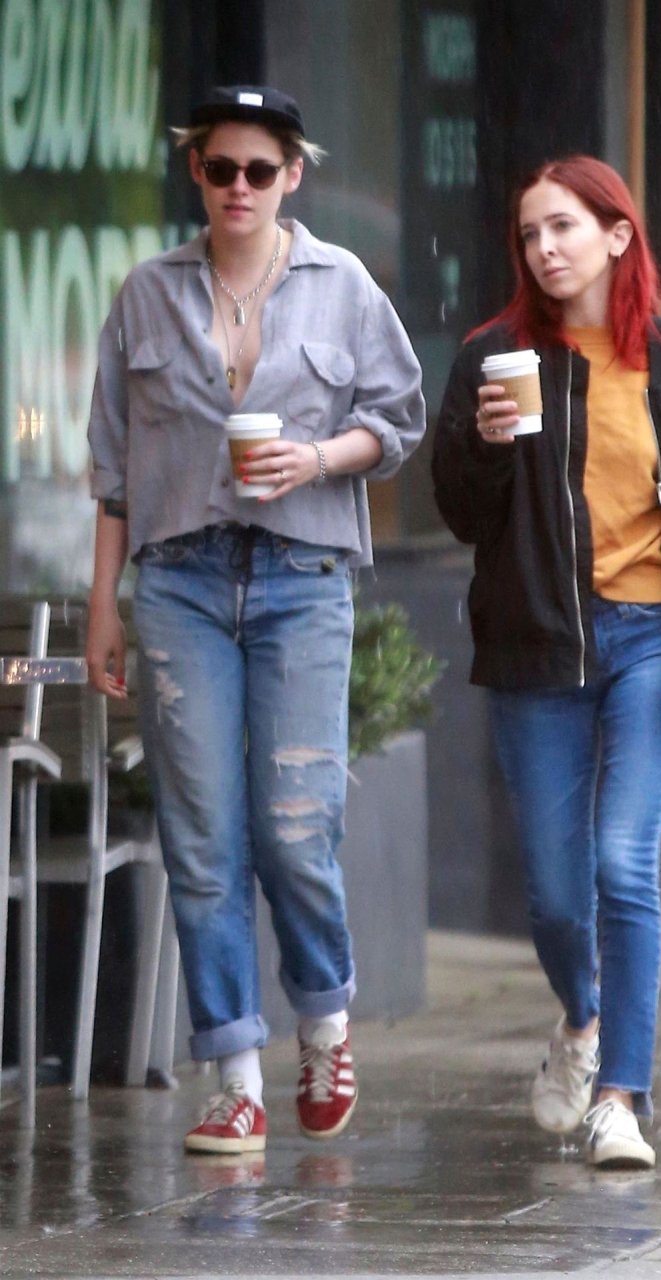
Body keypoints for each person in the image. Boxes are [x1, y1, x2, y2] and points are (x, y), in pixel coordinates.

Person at [86, 85, 425, 1155]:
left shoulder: (343, 284)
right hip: (178, 581)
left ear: (293, 176)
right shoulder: (147, 292)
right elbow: (112, 469)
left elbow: (396, 421)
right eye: (219, 168)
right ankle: (232, 1075)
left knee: (295, 828)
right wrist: (103, 604)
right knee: (201, 839)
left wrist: (314, 458)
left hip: (301, 574)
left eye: (259, 170)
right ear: (196, 171)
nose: (239, 187)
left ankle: (323, 1021)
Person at [432, 155, 661, 1170]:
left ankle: (620, 1097)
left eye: (564, 227)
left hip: (653, 637)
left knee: (623, 863)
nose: (543, 248)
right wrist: (486, 444)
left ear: (618, 235)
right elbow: (460, 512)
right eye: (529, 233)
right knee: (552, 895)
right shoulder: (494, 356)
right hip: (538, 642)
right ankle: (580, 1017)